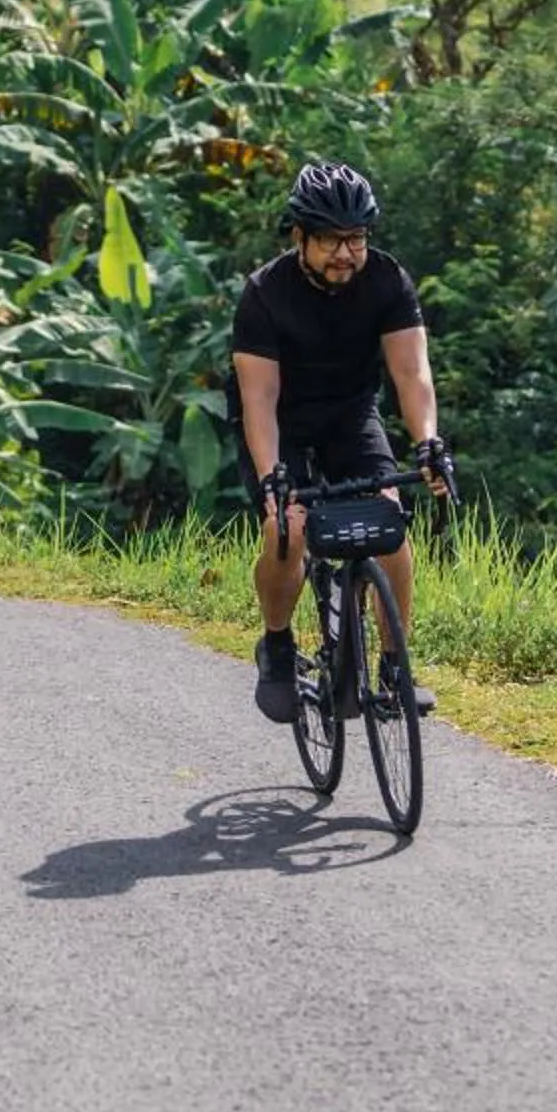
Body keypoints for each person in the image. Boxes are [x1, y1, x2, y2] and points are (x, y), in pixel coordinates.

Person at [230, 160, 452, 724]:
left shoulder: (387, 280)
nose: (345, 253)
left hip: (351, 413)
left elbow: (412, 374)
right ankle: (277, 645)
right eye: (330, 239)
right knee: (286, 529)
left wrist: (428, 443)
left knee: (390, 523)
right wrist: (273, 479)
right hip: (281, 420)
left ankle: (395, 668)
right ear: (299, 236)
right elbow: (259, 399)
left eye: (356, 239)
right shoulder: (264, 294)